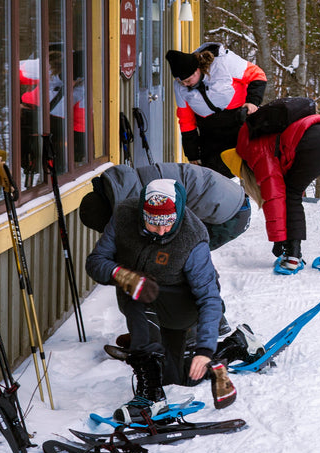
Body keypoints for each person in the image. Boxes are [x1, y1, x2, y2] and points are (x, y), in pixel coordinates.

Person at [85, 179, 236, 422]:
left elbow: (209, 297)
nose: (161, 230)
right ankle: (152, 391)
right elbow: (95, 261)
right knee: (172, 376)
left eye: (167, 223)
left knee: (190, 372)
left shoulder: (193, 237)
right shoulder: (124, 215)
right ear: (141, 213)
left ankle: (232, 346)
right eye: (153, 222)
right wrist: (122, 275)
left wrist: (206, 349)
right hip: (142, 297)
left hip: (181, 308)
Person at [234, 99, 320, 275]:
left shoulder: (254, 146)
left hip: (318, 141)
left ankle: (292, 257)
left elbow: (274, 195)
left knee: (291, 193)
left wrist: (280, 239)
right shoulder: (274, 127)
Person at [79, 162, 252, 251]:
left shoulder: (142, 199)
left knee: (182, 262)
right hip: (232, 197)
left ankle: (212, 317)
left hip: (231, 216)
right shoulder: (127, 183)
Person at [167, 42, 267, 176]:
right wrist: (192, 154)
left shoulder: (224, 64)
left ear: (197, 70)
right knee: (214, 176)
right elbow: (186, 121)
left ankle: (248, 194)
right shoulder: (181, 88)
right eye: (182, 82)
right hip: (210, 135)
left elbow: (257, 75)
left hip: (239, 124)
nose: (186, 84)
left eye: (188, 80)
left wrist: (252, 102)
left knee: (249, 169)